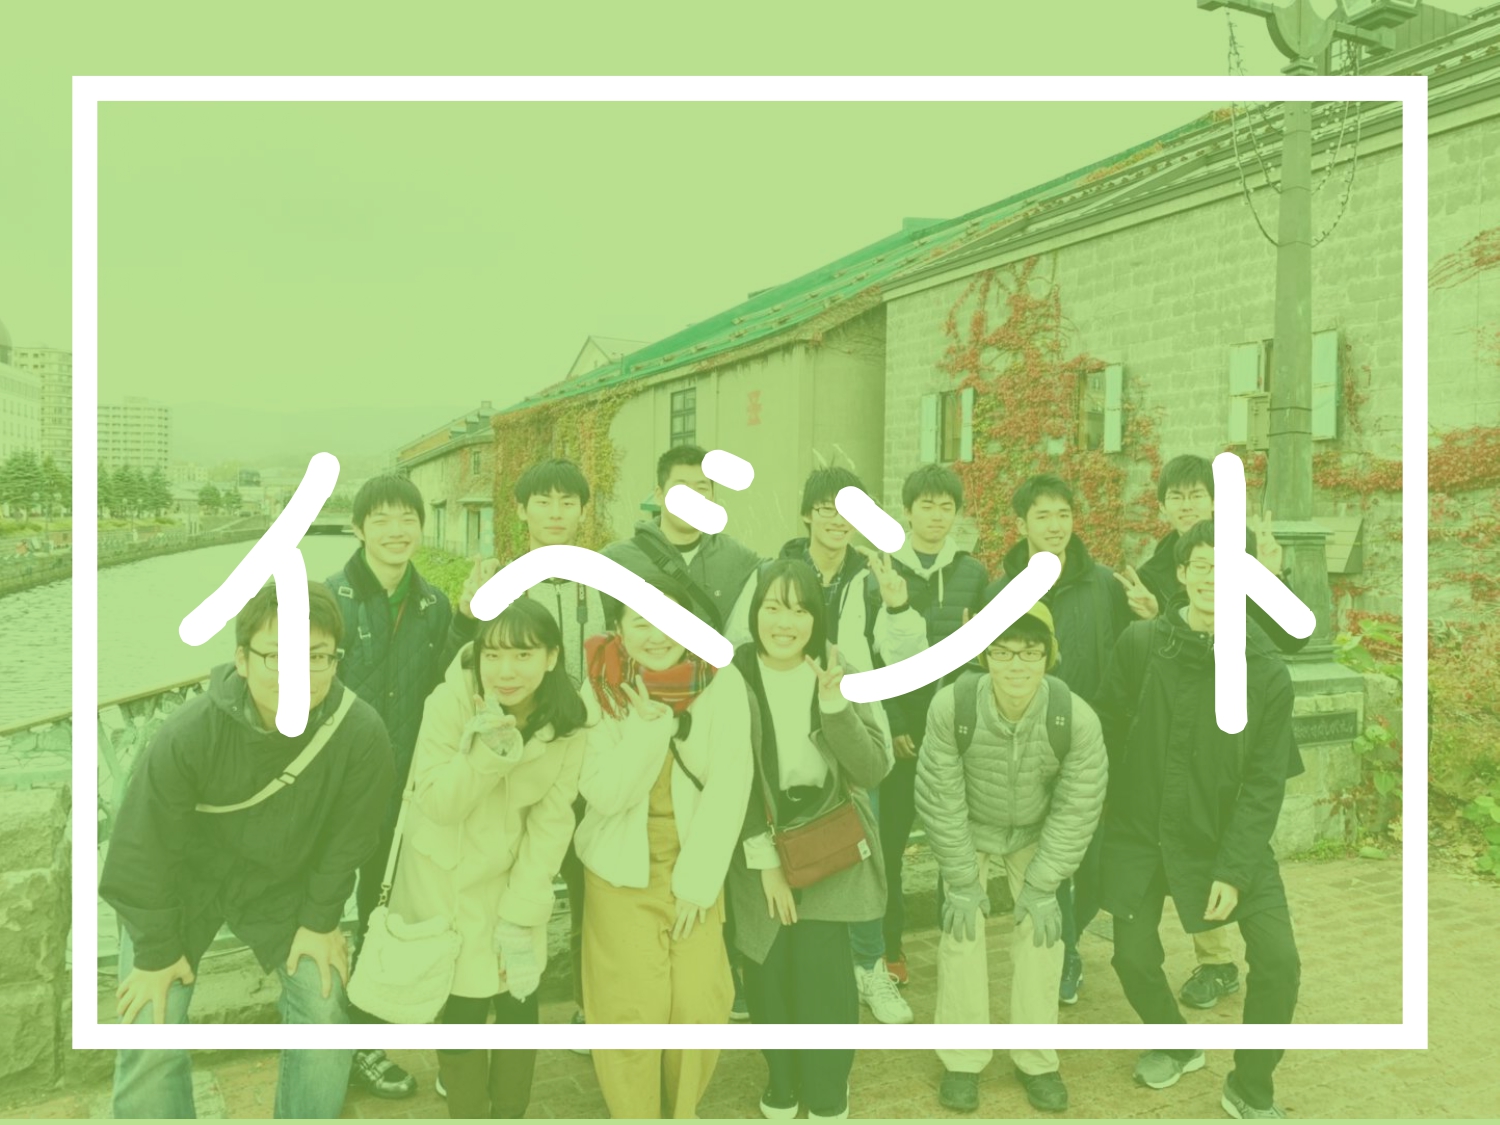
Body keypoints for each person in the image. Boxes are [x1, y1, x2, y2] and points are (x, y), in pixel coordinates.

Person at [100, 581, 393, 1119]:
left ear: (336, 659)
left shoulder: (359, 733)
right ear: (241, 659)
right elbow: (142, 847)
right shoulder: (190, 733)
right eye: (277, 657)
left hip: (284, 885)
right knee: (148, 1027)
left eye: (317, 657)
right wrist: (156, 952)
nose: (299, 675)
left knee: (325, 1012)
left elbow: (350, 839)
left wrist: (320, 919)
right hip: (183, 885)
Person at [1095, 520, 1301, 1120]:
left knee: (1280, 961)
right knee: (1132, 957)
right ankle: (1176, 1042)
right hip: (1141, 832)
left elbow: (1264, 785)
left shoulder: (1266, 671)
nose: (1214, 578)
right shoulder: (1140, 645)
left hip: (1225, 835)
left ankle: (1250, 1084)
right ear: (1183, 573)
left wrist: (1234, 869)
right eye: (1203, 565)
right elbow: (1103, 735)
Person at [1116, 453, 1307, 1010]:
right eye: (1176, 497)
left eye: (1196, 495)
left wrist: (1270, 577)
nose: (1186, 505)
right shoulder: (1158, 565)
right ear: (1163, 507)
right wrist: (1154, 616)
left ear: (1215, 501)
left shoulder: (1244, 550)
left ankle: (1218, 961)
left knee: (1215, 837)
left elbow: (1287, 637)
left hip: (1234, 727)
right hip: (1176, 725)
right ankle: (1213, 962)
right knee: (1174, 837)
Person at [388, 597, 588, 1118]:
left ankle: (510, 1112)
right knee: (463, 1006)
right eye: (492, 655)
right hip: (447, 881)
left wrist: (521, 910)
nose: (505, 671)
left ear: (551, 656)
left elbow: (552, 822)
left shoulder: (567, 722)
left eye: (523, 655)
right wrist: (490, 750)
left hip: (512, 874)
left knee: (519, 999)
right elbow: (438, 803)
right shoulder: (449, 702)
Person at [915, 603, 1107, 1115]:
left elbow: (1078, 804)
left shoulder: (1075, 717)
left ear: (1048, 656)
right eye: (1002, 653)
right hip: (970, 825)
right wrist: (961, 880)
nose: (1016, 665)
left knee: (1043, 935)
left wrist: (1044, 885)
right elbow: (940, 796)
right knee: (961, 930)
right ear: (985, 656)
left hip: (1034, 830)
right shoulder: (952, 706)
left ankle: (1036, 1059)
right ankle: (962, 1059)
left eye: (1029, 652)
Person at [574, 576, 755, 1119]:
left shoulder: (721, 681)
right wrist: (650, 731)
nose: (657, 636)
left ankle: (681, 1111)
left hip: (695, 863)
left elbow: (731, 784)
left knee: (698, 1004)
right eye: (640, 622)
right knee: (633, 1011)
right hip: (619, 869)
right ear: (619, 628)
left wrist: (697, 885)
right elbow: (604, 794)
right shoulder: (599, 686)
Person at [452, 456, 610, 1047]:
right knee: (503, 885)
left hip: (589, 762)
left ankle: (588, 1007)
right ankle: (486, 1014)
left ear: (583, 511)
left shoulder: (605, 580)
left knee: (591, 892)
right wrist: (465, 616)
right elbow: (471, 668)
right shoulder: (499, 582)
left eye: (568, 502)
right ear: (521, 511)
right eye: (543, 502)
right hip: (521, 765)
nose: (555, 513)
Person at [727, 559, 891, 1120]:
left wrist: (835, 705)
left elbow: (872, 769)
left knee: (822, 970)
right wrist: (766, 861)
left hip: (826, 839)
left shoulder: (836, 670)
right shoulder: (732, 675)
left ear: (816, 619)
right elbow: (725, 775)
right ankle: (782, 1079)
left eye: (800, 610)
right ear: (756, 612)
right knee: (768, 967)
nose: (785, 622)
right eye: (774, 607)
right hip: (757, 841)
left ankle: (826, 1086)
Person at [765, 466, 928, 1024]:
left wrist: (898, 605)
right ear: (807, 515)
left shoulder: (874, 576)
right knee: (785, 843)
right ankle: (780, 966)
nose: (837, 520)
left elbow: (906, 657)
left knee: (863, 852)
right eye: (826, 508)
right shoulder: (776, 574)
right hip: (790, 729)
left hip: (854, 728)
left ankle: (869, 966)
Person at [327, 473, 456, 1099]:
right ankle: (325, 1044)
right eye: (381, 519)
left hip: (405, 798)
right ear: (358, 529)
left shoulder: (435, 605)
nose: (396, 530)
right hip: (334, 794)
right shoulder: (327, 601)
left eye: (407, 518)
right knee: (320, 914)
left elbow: (445, 688)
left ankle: (365, 1042)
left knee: (381, 917)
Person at [980, 472, 1131, 1004]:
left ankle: (1070, 934)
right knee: (1045, 857)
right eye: (1042, 515)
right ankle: (1063, 954)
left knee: (1092, 862)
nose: (1055, 525)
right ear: (1022, 524)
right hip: (1027, 745)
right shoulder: (999, 592)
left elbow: (1124, 660)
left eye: (1063, 514)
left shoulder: (1105, 585)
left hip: (1092, 744)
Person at [879, 463, 990, 986]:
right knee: (890, 845)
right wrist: (895, 720)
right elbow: (872, 653)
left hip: (954, 732)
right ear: (907, 511)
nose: (937, 516)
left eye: (947, 507)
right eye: (927, 506)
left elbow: (986, 651)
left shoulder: (973, 573)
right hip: (900, 733)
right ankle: (889, 947)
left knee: (955, 845)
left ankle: (957, 944)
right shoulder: (884, 570)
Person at [602, 443, 762, 634]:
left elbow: (782, 574)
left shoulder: (735, 556)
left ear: (712, 497)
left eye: (701, 487)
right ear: (659, 495)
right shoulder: (615, 560)